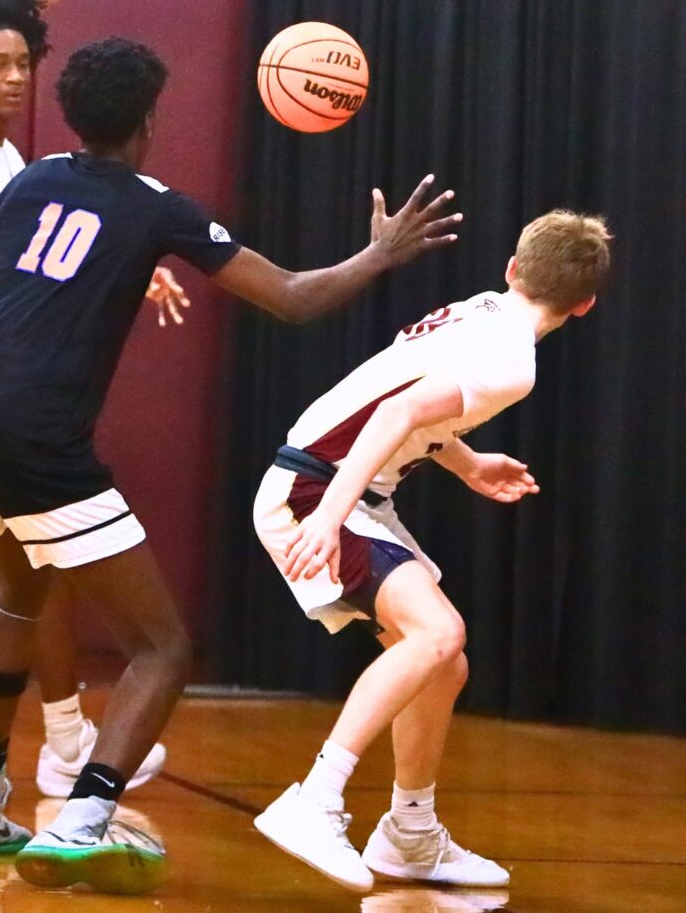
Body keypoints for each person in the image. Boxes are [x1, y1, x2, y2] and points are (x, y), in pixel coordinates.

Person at [0, 36, 462, 892]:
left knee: (20, 591)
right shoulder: (158, 205)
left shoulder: (31, 180)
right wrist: (379, 255)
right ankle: (85, 817)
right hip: (33, 427)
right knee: (162, 645)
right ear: (147, 118)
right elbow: (289, 296)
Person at [251, 211, 612, 892]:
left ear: (512, 267)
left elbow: (403, 400)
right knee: (439, 632)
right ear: (585, 305)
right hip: (316, 489)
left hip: (345, 487)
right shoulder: (512, 362)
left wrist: (470, 463)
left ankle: (410, 834)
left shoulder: (476, 309)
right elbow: (394, 415)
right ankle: (315, 800)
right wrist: (328, 517)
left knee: (441, 665)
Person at [0, 0, 181, 800]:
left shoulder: (18, 160)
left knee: (20, 574)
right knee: (8, 566)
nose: (18, 75)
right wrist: (25, 301)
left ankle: (20, 760)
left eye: (28, 61)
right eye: (0, 61)